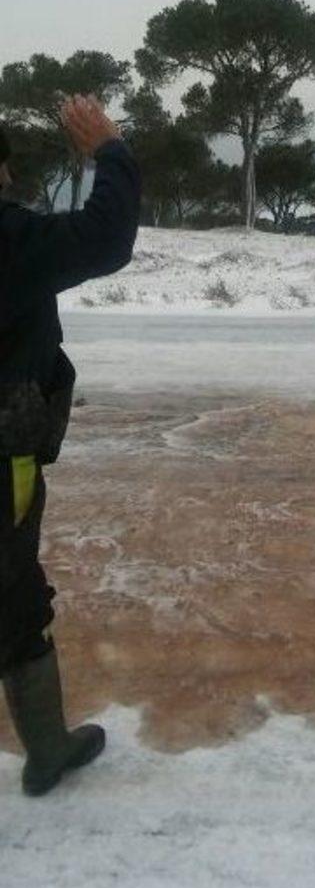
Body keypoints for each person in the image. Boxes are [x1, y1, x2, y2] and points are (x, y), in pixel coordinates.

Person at [0, 95, 141, 796]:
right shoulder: (8, 239)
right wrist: (109, 149)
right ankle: (49, 750)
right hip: (3, 462)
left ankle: (49, 747)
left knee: (16, 593)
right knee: (13, 596)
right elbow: (107, 235)